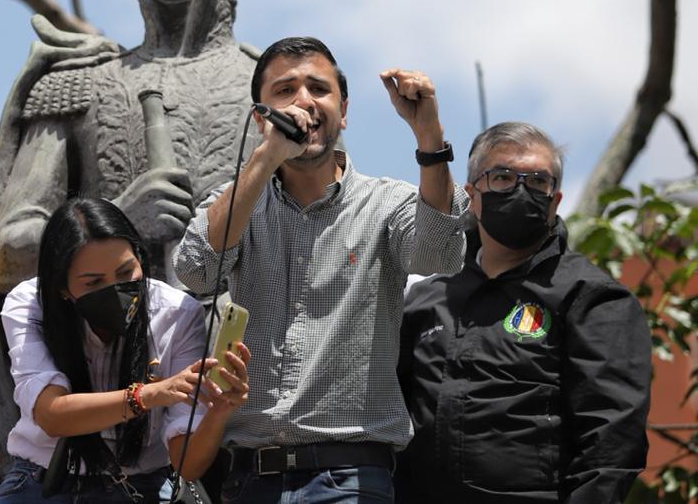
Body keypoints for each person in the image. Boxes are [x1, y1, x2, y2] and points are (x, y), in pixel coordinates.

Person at [0, 0, 261, 482]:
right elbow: (3, 252)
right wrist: (119, 223)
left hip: (239, 420)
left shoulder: (272, 89)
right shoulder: (81, 82)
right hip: (91, 434)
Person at [174, 37, 469, 503]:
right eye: (285, 90)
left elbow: (440, 254)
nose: (304, 102)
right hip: (250, 480)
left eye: (318, 88)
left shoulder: (386, 203)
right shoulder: (235, 202)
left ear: (344, 110)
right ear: (260, 115)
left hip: (349, 477)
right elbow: (196, 273)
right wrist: (266, 157)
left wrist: (428, 137)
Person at [396, 122, 651, 503]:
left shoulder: (592, 297)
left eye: (537, 182)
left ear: (556, 199)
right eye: (501, 177)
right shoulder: (425, 300)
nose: (520, 190)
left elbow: (612, 441)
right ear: (472, 195)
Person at [0, 197, 250, 503]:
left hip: (140, 489)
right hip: (46, 484)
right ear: (61, 288)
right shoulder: (29, 305)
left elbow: (188, 463)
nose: (115, 290)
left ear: (141, 260)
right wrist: (146, 395)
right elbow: (51, 416)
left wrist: (218, 412)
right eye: (93, 283)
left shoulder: (177, 314)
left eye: (125, 273)